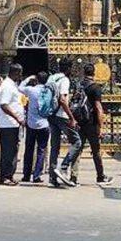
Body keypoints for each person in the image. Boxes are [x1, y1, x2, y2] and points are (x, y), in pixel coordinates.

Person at [46, 59, 82, 187]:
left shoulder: (51, 78)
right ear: (68, 69)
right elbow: (62, 99)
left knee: (54, 146)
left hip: (51, 115)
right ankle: (64, 167)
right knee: (77, 142)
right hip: (61, 115)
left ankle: (52, 178)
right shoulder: (64, 80)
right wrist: (71, 117)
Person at [0, 64, 26, 185]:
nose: (20, 76)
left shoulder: (12, 85)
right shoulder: (7, 86)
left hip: (13, 124)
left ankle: (9, 175)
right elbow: (4, 105)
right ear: (16, 73)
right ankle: (5, 177)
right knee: (8, 152)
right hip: (8, 124)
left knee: (13, 150)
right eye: (20, 73)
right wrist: (17, 117)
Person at [77, 72, 109, 185]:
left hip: (80, 121)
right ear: (94, 73)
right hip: (91, 122)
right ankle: (100, 175)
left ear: (84, 73)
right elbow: (98, 107)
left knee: (78, 149)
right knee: (96, 150)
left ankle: (73, 176)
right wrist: (101, 126)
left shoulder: (79, 85)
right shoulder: (95, 87)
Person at [22, 72, 50, 183]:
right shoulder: (48, 91)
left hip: (31, 124)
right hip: (44, 124)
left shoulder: (31, 90)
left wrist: (28, 77)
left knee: (29, 149)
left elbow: (20, 88)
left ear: (37, 79)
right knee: (41, 150)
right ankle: (37, 175)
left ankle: (26, 175)